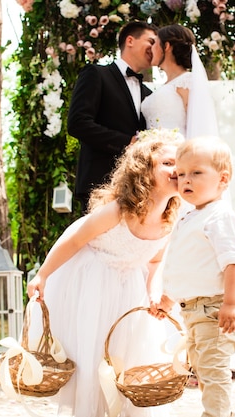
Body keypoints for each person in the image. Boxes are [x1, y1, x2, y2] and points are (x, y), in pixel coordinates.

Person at [143, 24, 235, 377]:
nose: (151, 51)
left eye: (156, 44)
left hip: (181, 172)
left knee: (199, 250)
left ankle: (217, 337)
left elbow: (198, 131)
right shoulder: (155, 88)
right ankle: (175, 346)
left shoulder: (189, 83)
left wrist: (189, 175)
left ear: (169, 46)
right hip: (159, 174)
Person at [26, 129, 184, 417]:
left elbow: (155, 261)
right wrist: (43, 274)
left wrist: (152, 292)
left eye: (179, 164)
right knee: (93, 352)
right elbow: (74, 237)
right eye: (167, 163)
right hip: (92, 280)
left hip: (128, 287)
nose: (176, 170)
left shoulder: (169, 221)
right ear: (144, 171)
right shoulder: (120, 210)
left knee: (124, 355)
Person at [150, 136, 235, 417]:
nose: (185, 180)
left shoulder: (220, 217)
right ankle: (221, 412)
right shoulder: (189, 216)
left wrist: (230, 304)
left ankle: (215, 414)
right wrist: (168, 299)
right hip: (194, 311)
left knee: (213, 369)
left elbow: (234, 263)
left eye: (196, 172)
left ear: (223, 179)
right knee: (203, 368)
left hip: (215, 309)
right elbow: (186, 266)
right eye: (181, 174)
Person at [68, 21, 158, 210]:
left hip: (137, 189)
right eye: (150, 41)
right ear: (130, 40)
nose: (154, 48)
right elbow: (78, 123)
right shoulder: (96, 74)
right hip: (99, 183)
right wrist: (128, 142)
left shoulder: (149, 95)